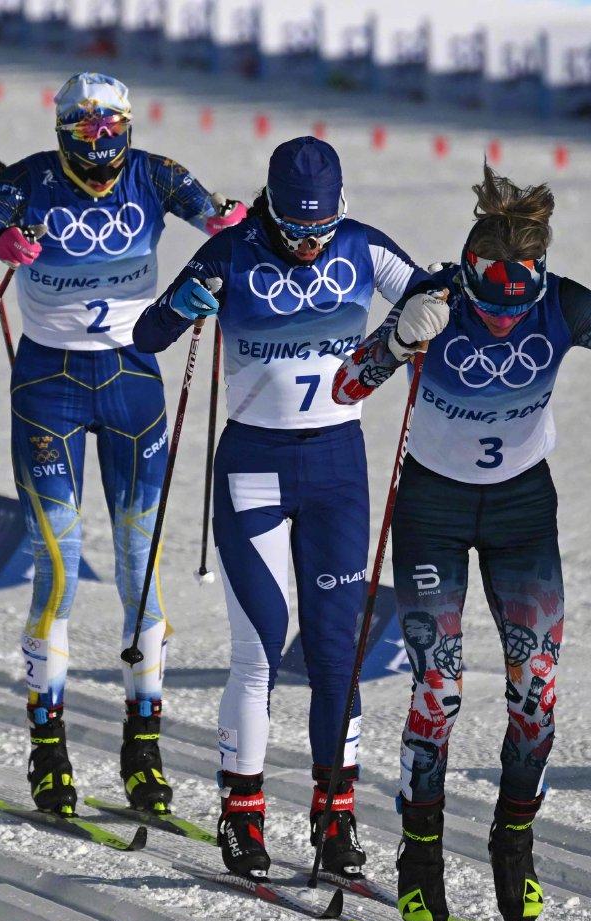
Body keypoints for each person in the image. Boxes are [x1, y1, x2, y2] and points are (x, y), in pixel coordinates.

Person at [332, 164, 591, 921]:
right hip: (434, 506)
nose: (500, 323)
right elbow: (346, 388)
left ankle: (513, 850)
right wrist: (397, 339)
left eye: (513, 310)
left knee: (536, 693)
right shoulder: (435, 296)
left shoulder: (562, 303)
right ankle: (419, 862)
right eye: (487, 308)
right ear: (467, 277)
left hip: (524, 510)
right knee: (441, 691)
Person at [0, 72, 245, 814]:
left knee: (141, 569)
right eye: (87, 131)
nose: (102, 145)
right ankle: (49, 751)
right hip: (51, 388)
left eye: (113, 129)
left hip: (135, 381)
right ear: (64, 130)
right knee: (60, 568)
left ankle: (143, 750)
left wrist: (233, 227)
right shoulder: (27, 183)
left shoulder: (156, 173)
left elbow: (227, 230)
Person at [133, 136, 419, 878]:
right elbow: (148, 335)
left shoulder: (360, 248)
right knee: (259, 650)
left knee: (335, 656)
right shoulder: (230, 252)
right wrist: (183, 304)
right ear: (269, 210)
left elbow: (441, 299)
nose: (306, 247)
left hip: (336, 470)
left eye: (318, 233)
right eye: (293, 232)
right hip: (253, 466)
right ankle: (242, 818)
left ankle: (335, 819)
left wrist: (406, 333)